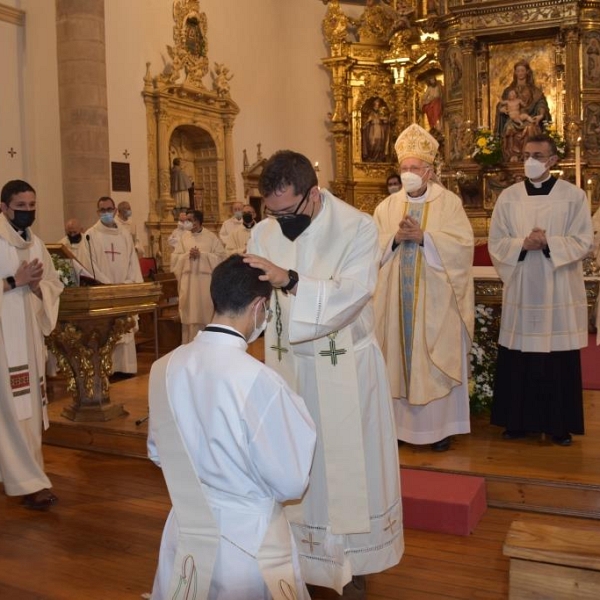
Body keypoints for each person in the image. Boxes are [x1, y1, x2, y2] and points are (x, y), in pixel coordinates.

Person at [245, 150, 403, 599]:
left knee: (347, 472)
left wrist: (289, 279)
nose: (278, 221)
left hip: (347, 371)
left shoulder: (357, 227)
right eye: (270, 212)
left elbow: (351, 295)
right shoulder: (263, 230)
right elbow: (256, 304)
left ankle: (352, 567)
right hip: (288, 370)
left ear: (312, 195)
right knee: (298, 469)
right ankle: (298, 562)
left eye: (287, 211)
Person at [148, 255, 316, 600]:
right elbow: (291, 481)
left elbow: (157, 451)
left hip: (187, 531)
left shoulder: (164, 367)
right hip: (248, 543)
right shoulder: (260, 381)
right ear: (259, 307)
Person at [373, 124, 474, 452]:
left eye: (414, 168)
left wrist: (425, 239)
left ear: (429, 172)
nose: (408, 174)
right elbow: (369, 248)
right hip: (393, 303)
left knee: (431, 361)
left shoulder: (449, 204)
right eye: (404, 168)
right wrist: (394, 240)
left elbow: (462, 246)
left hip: (434, 302)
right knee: (396, 362)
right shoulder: (386, 208)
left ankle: (439, 429)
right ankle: (399, 428)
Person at [488, 134, 593, 446]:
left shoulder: (573, 197)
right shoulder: (508, 197)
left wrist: (549, 243)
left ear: (552, 160)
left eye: (537, 155)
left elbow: (584, 241)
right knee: (519, 356)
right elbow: (496, 241)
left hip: (557, 287)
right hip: (522, 287)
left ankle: (559, 425)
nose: (530, 161)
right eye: (526, 155)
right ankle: (516, 422)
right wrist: (523, 243)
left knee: (557, 359)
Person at [0, 179, 63, 510]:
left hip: (27, 339)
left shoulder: (36, 244)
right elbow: (15, 283)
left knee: (25, 411)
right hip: (3, 345)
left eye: (32, 206)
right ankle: (31, 482)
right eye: (21, 206)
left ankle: (20, 476)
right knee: (12, 412)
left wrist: (39, 288)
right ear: (4, 207)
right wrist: (14, 282)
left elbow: (53, 284)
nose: (27, 212)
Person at [85, 196, 143, 375]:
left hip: (124, 289)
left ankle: (126, 368)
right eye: (102, 210)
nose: (106, 213)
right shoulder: (90, 235)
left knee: (124, 328)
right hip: (105, 290)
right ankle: (107, 369)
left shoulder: (124, 234)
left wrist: (127, 283)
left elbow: (133, 262)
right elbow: (90, 264)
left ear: (115, 210)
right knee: (106, 329)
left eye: (109, 209)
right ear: (97, 212)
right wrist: (108, 284)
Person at [171, 209, 226, 343]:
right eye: (186, 220)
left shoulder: (211, 237)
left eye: (190, 220)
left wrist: (203, 256)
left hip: (205, 284)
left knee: (205, 315)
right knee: (189, 317)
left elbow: (222, 257)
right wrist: (187, 256)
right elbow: (174, 259)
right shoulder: (184, 238)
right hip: (188, 284)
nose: (187, 223)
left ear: (197, 221)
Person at [495, 60, 549, 162]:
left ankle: (529, 155)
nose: (520, 73)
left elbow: (541, 103)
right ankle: (512, 155)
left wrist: (541, 115)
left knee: (530, 127)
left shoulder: (534, 90)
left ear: (527, 72)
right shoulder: (508, 90)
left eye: (522, 70)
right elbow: (501, 104)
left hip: (528, 117)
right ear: (515, 73)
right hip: (512, 118)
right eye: (518, 71)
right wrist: (501, 109)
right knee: (509, 128)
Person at [361, 97, 391, 162]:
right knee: (372, 144)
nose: (377, 106)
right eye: (376, 104)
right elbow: (365, 124)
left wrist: (384, 119)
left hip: (380, 130)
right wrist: (368, 121)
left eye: (378, 104)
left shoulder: (381, 112)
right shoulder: (371, 113)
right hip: (372, 130)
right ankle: (372, 157)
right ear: (374, 105)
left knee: (380, 143)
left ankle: (379, 158)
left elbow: (386, 121)